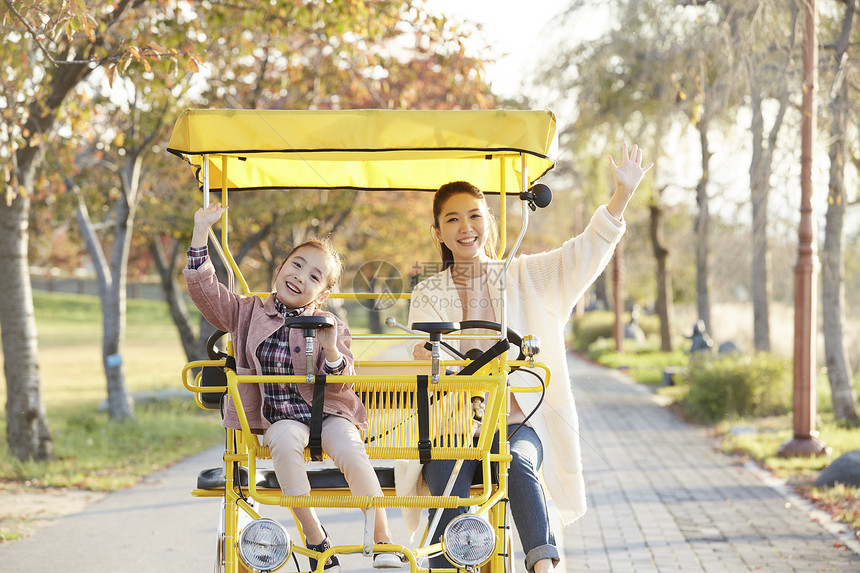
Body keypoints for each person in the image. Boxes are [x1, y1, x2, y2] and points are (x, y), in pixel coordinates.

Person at [399, 143, 652, 573]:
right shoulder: (429, 292)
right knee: (445, 479)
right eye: (452, 219)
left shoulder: (522, 273)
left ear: (489, 222)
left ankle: (542, 567)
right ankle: (455, 566)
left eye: (474, 216)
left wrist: (621, 195)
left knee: (515, 462)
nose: (465, 227)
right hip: (454, 429)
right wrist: (426, 353)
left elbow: (583, 253)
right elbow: (426, 354)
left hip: (518, 424)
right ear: (437, 233)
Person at [184, 203, 403, 572]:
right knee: (283, 444)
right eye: (297, 264)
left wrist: (331, 347)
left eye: (315, 276)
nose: (301, 276)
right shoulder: (247, 311)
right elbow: (204, 290)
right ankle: (315, 536)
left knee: (350, 451)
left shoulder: (328, 323)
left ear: (321, 294)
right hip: (279, 415)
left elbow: (343, 379)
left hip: (328, 412)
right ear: (281, 267)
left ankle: (383, 538)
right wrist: (201, 229)